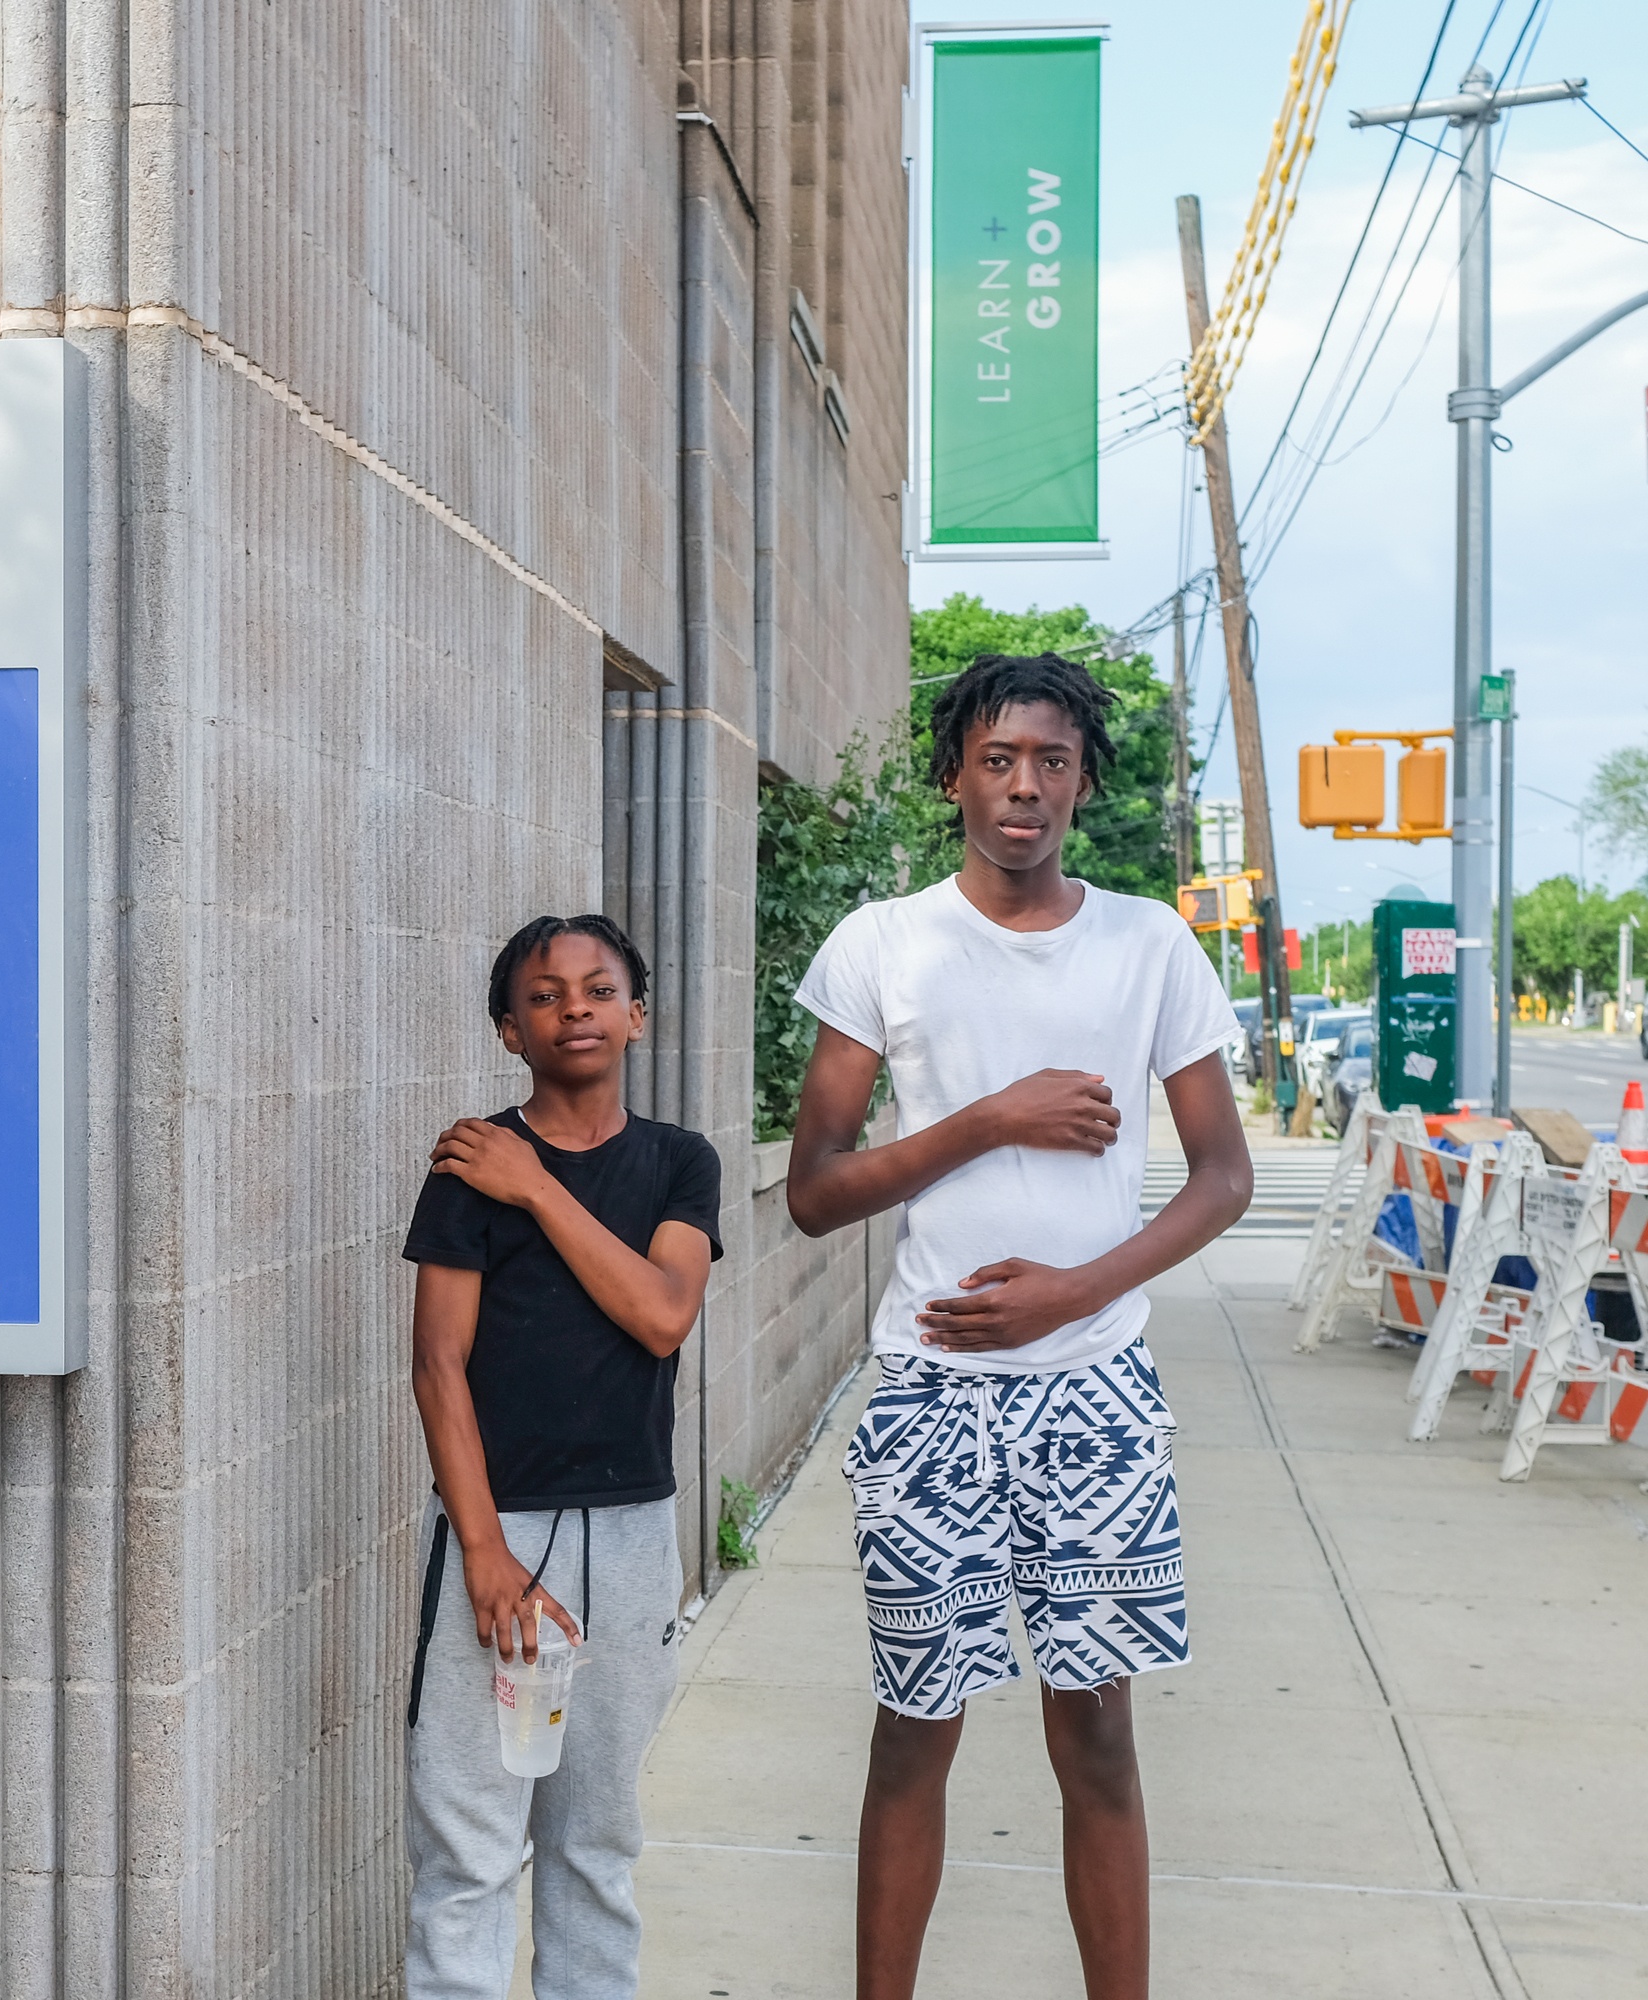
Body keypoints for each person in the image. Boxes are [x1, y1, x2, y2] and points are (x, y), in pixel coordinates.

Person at [785, 652, 1254, 2000]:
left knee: (1099, 1733)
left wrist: (1076, 1289)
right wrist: (992, 1118)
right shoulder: (883, 943)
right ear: (956, 779)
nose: (1025, 787)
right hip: (932, 1390)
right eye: (999, 759)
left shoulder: (1150, 942)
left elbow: (1223, 1176)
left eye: (1052, 761)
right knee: (914, 1728)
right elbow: (816, 1193)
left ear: (1084, 781)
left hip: (1094, 1389)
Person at [400, 912, 723, 1999]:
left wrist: (535, 1183)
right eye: (544, 994)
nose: (572, 1006)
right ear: (509, 1028)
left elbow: (663, 1313)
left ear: (638, 1011)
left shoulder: (680, 1162)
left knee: (597, 1844)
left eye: (597, 987)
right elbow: (438, 1367)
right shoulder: (463, 1169)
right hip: (498, 1533)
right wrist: (483, 1552)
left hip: (630, 1536)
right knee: (471, 1852)